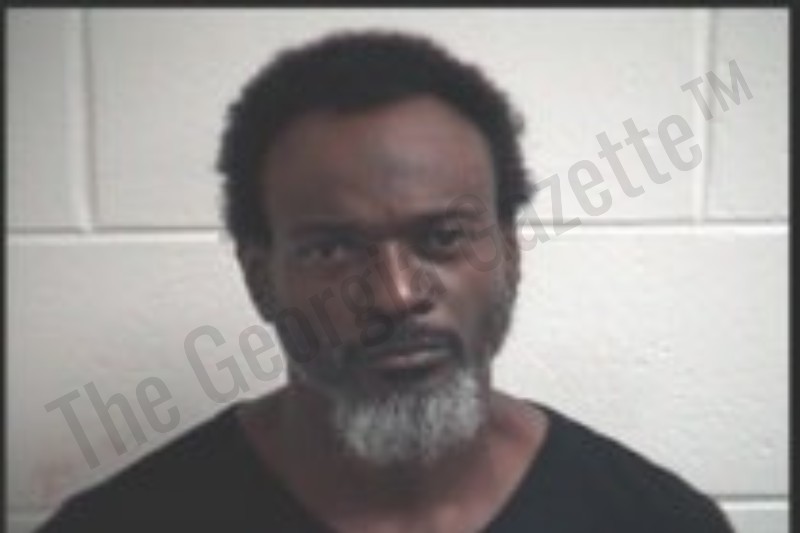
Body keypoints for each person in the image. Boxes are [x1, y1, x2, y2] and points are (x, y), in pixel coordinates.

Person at [38, 31, 734, 533]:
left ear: (510, 253)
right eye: (332, 250)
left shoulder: (658, 520)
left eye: (443, 238)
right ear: (260, 279)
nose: (396, 295)